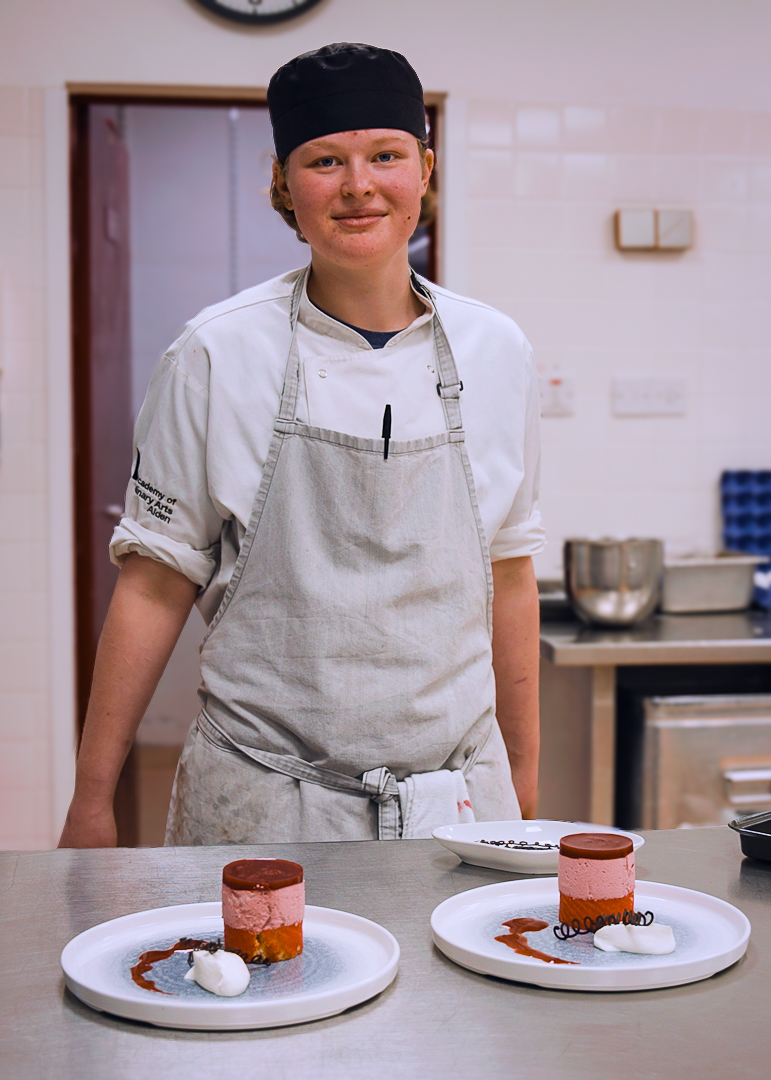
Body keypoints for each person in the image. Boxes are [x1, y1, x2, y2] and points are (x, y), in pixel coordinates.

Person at [59, 42, 544, 848]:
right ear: (284, 185)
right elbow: (152, 585)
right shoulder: (216, 353)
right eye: (325, 160)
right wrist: (91, 800)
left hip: (456, 801)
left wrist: (522, 780)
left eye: (385, 155)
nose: (358, 185)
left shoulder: (497, 350)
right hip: (262, 802)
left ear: (423, 169)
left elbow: (510, 567)